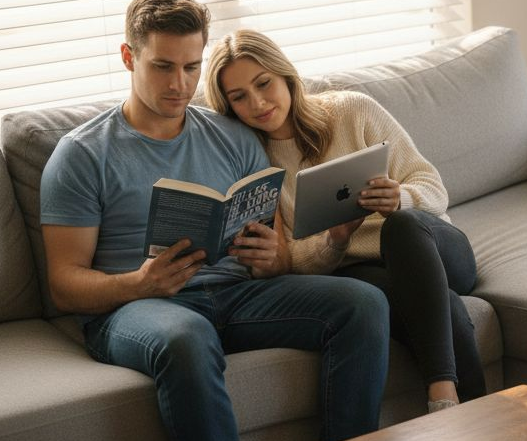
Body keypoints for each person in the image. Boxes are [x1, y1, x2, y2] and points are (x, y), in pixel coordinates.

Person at [39, 0, 390, 441]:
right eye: (162, 66)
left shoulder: (233, 136)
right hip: (137, 308)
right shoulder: (82, 154)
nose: (179, 84)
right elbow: (64, 283)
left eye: (190, 67)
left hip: (238, 293)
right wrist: (139, 283)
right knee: (186, 337)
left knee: (362, 303)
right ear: (127, 56)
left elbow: (278, 247)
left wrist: (272, 258)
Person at [204, 29, 485, 414]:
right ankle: (466, 412)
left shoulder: (352, 110)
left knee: (400, 227)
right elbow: (292, 262)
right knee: (439, 306)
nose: (258, 102)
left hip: (435, 251)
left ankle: (442, 394)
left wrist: (399, 199)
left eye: (263, 83)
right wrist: (334, 240)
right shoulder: (255, 163)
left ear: (284, 74)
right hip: (362, 270)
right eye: (239, 97)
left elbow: (432, 187)